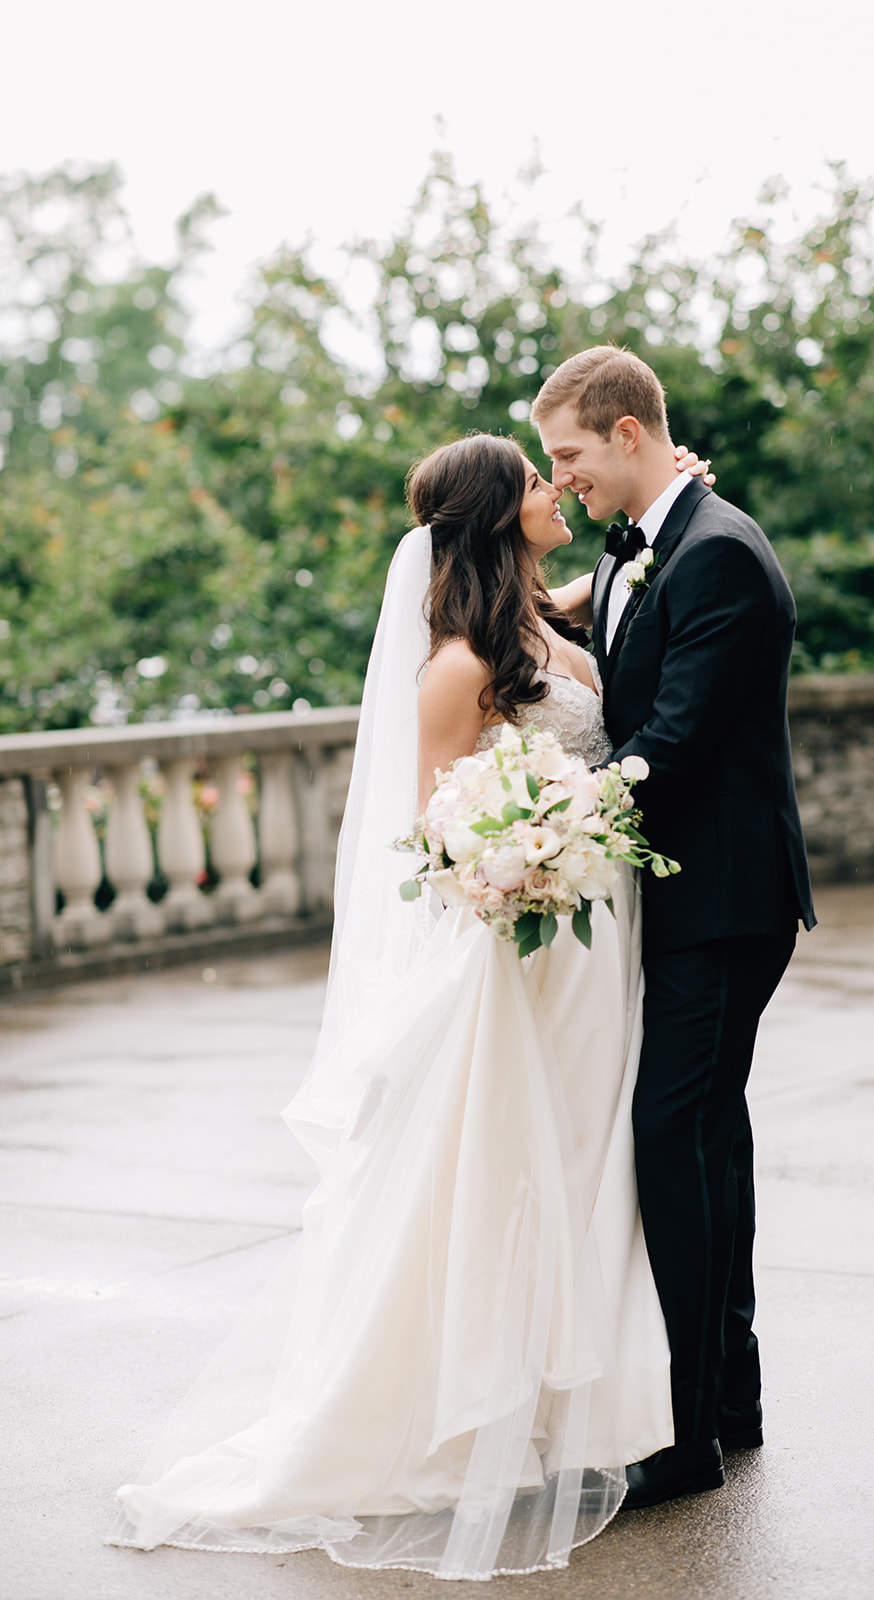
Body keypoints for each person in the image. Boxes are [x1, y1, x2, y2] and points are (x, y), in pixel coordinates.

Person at [110, 433, 708, 1581]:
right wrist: (534, 847)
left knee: (584, 1168)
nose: (554, 489)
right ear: (496, 515)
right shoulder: (453, 666)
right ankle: (468, 1417)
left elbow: (607, 588)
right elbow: (437, 828)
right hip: (526, 955)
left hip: (597, 948)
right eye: (536, 482)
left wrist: (674, 500)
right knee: (507, 1176)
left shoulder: (545, 623)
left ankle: (544, 1405)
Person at [533, 347, 816, 1511]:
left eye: (570, 456)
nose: (560, 482)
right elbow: (600, 648)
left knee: (673, 1141)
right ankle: (729, 1401)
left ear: (629, 433)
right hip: (690, 895)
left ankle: (688, 1435)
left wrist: (541, 823)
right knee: (707, 1139)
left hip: (725, 902)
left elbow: (676, 741)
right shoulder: (646, 544)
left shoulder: (719, 558)